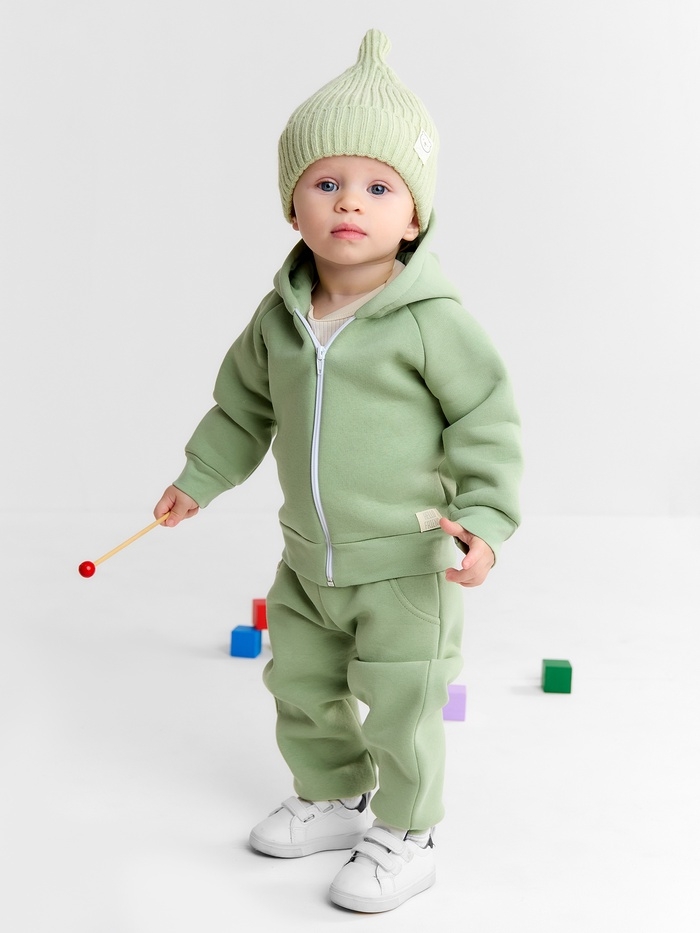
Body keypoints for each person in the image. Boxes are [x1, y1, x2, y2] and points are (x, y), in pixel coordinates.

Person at [154, 28, 522, 913]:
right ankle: (331, 794)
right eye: (326, 183)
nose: (349, 201)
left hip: (403, 564)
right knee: (302, 685)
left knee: (403, 699)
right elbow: (242, 409)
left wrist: (486, 521)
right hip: (307, 559)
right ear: (293, 207)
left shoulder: (432, 321)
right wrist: (199, 477)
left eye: (378, 187)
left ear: (414, 217)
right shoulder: (278, 319)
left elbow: (486, 419)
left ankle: (408, 829)